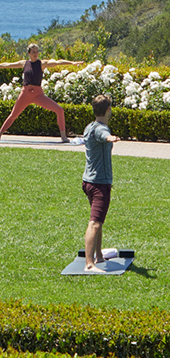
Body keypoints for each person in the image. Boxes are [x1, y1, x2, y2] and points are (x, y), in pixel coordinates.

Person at [0, 44, 85, 143]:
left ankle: (63, 137)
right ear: (29, 53)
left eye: (37, 51)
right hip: (25, 94)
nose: (35, 54)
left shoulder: (42, 63)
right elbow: (7, 65)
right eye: (33, 52)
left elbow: (57, 62)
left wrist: (72, 63)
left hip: (38, 95)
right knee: (13, 115)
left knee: (60, 110)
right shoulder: (24, 63)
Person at [81, 94, 119, 272]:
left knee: (98, 220)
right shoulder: (101, 129)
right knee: (95, 223)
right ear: (108, 110)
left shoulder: (89, 126)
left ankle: (99, 255)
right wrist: (110, 138)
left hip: (88, 181)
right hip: (99, 184)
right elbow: (103, 135)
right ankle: (89, 264)